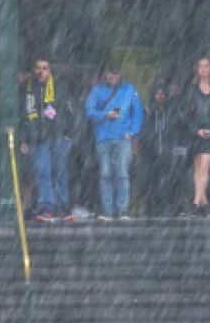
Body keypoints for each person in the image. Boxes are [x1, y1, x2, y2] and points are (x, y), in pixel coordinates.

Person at [84, 64, 144, 221]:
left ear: (121, 75)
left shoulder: (129, 89)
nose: (114, 77)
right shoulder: (97, 90)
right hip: (103, 138)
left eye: (116, 74)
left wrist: (132, 132)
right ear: (106, 74)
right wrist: (105, 114)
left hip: (123, 138)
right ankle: (108, 211)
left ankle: (123, 210)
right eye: (111, 74)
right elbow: (89, 111)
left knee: (122, 173)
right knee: (105, 174)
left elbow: (138, 111)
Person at [19, 58, 76, 223]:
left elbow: (70, 111)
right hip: (38, 139)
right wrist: (24, 139)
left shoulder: (59, 88)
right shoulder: (28, 90)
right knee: (43, 173)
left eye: (45, 68)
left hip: (58, 136)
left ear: (50, 71)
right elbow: (24, 117)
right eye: (38, 68)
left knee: (60, 172)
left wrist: (69, 134)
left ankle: (62, 207)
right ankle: (47, 207)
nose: (41, 71)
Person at [178, 57, 210, 217]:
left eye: (206, 66)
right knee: (198, 170)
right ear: (197, 70)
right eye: (201, 66)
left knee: (204, 167)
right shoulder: (191, 90)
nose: (204, 69)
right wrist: (195, 130)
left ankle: (195, 204)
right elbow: (184, 114)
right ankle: (205, 205)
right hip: (196, 134)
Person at [141, 81, 188, 216]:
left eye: (162, 94)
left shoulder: (172, 111)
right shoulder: (148, 111)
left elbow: (179, 127)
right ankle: (150, 206)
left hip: (168, 150)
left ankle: (171, 205)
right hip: (151, 152)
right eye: (157, 94)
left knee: (171, 179)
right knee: (151, 180)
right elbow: (145, 131)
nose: (160, 97)